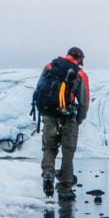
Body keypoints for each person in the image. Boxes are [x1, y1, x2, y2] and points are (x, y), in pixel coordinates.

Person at [34, 47, 89, 201]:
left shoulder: (50, 67)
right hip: (68, 117)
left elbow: (39, 89)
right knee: (68, 152)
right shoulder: (80, 74)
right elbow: (84, 101)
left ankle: (48, 174)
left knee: (49, 148)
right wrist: (79, 119)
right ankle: (65, 187)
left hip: (50, 116)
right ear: (80, 58)